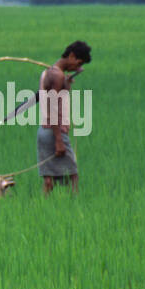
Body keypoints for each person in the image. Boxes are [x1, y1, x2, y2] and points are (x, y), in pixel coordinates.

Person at [38, 40, 91, 195]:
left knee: (49, 181)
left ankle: (42, 209)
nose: (78, 67)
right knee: (73, 176)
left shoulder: (49, 73)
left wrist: (66, 84)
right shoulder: (57, 76)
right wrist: (59, 140)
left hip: (44, 131)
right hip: (55, 132)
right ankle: (75, 209)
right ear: (72, 56)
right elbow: (53, 109)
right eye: (78, 63)